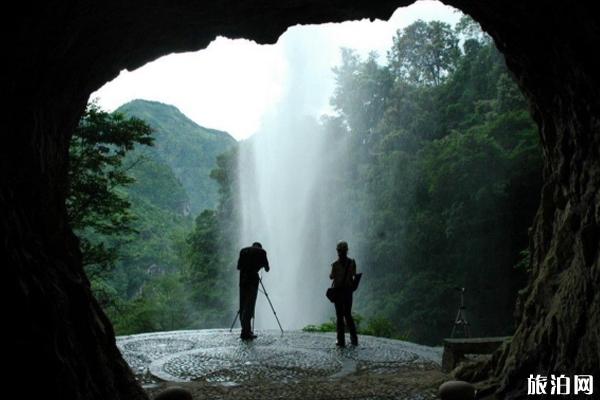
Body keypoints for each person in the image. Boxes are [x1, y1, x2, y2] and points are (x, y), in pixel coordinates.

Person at [237, 242, 270, 340]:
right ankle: (246, 333)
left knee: (243, 306)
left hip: (242, 281)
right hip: (252, 282)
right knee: (249, 306)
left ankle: (245, 330)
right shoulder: (262, 252)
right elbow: (267, 269)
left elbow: (239, 267)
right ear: (260, 247)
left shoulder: (243, 251)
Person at [329, 241, 358, 347]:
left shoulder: (335, 265)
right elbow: (354, 275)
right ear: (347, 251)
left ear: (338, 251)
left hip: (338, 292)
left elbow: (331, 276)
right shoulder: (352, 262)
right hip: (348, 292)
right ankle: (354, 339)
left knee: (340, 316)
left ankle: (340, 340)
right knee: (348, 315)